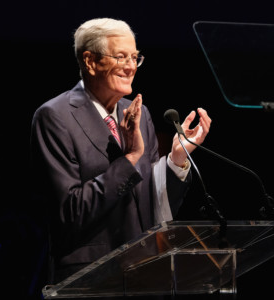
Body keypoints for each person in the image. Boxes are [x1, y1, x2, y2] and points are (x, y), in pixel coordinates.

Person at [30, 17, 212, 285]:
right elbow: (69, 213)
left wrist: (176, 159)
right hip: (90, 280)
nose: (130, 67)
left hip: (145, 274)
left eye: (135, 58)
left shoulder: (138, 113)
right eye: (120, 57)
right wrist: (130, 158)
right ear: (90, 61)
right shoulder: (55, 117)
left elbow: (155, 207)